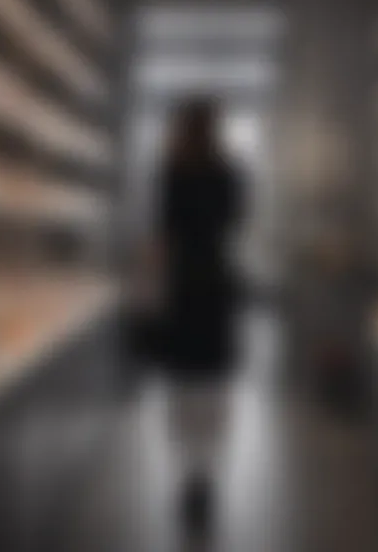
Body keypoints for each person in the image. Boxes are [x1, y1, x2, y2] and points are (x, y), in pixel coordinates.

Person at [153, 96, 245, 537]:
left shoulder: (170, 171)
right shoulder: (229, 173)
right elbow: (238, 222)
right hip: (216, 286)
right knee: (213, 382)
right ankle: (205, 470)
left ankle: (188, 468)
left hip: (180, 288)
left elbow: (162, 232)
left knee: (183, 383)